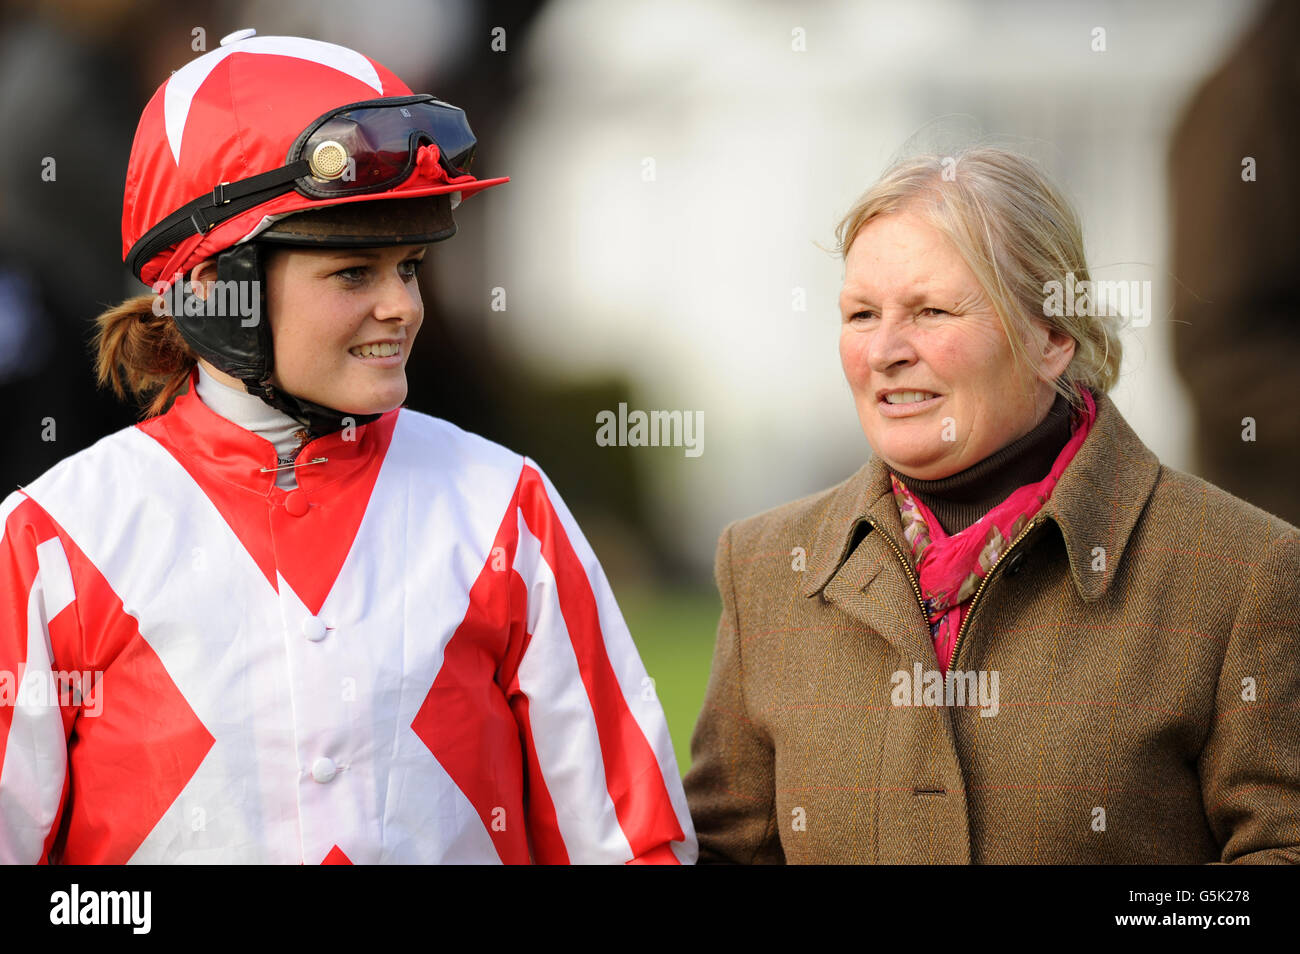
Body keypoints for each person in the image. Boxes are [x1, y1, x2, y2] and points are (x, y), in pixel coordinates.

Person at [0, 30, 696, 865]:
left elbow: (633, 843)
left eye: (408, 268)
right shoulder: (56, 536)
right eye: (352, 273)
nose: (402, 306)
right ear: (213, 287)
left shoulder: (506, 507)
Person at [683, 146, 1300, 864]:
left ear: (1053, 337)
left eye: (932, 310)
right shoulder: (765, 569)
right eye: (860, 314)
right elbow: (722, 854)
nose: (884, 350)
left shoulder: (1245, 572)